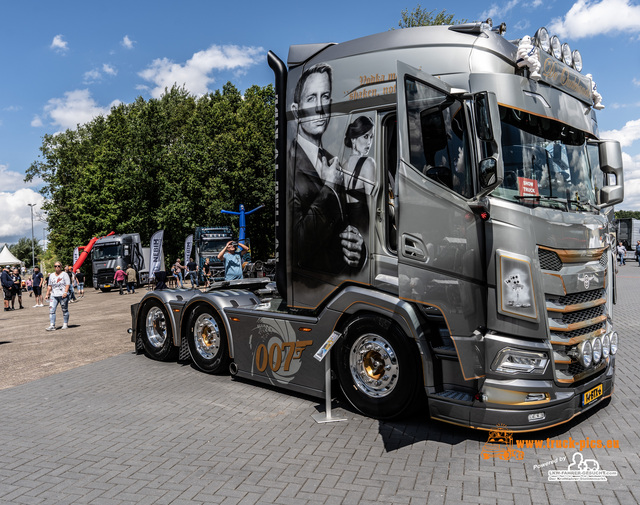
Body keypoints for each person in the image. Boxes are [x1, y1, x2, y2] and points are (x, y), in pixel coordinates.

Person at [290, 62, 365, 276]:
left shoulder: (333, 162)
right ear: (296, 111)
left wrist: (359, 246)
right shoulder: (288, 167)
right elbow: (298, 245)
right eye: (311, 98)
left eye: (325, 97)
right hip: (312, 288)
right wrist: (330, 187)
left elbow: (344, 229)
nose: (320, 107)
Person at [343, 115, 376, 233]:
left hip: (351, 235)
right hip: (366, 233)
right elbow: (374, 209)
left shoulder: (343, 167)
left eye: (372, 137)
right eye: (366, 136)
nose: (369, 142)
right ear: (353, 139)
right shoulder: (368, 163)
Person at [45, 262, 70, 330]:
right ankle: (52, 325)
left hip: (62, 295)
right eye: (55, 266)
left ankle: (65, 324)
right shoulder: (52, 275)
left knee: (64, 310)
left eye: (58, 266)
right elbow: (49, 286)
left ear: (61, 267)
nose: (57, 267)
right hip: (54, 295)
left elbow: (67, 284)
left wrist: (65, 292)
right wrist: (47, 294)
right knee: (51, 310)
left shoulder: (64, 274)